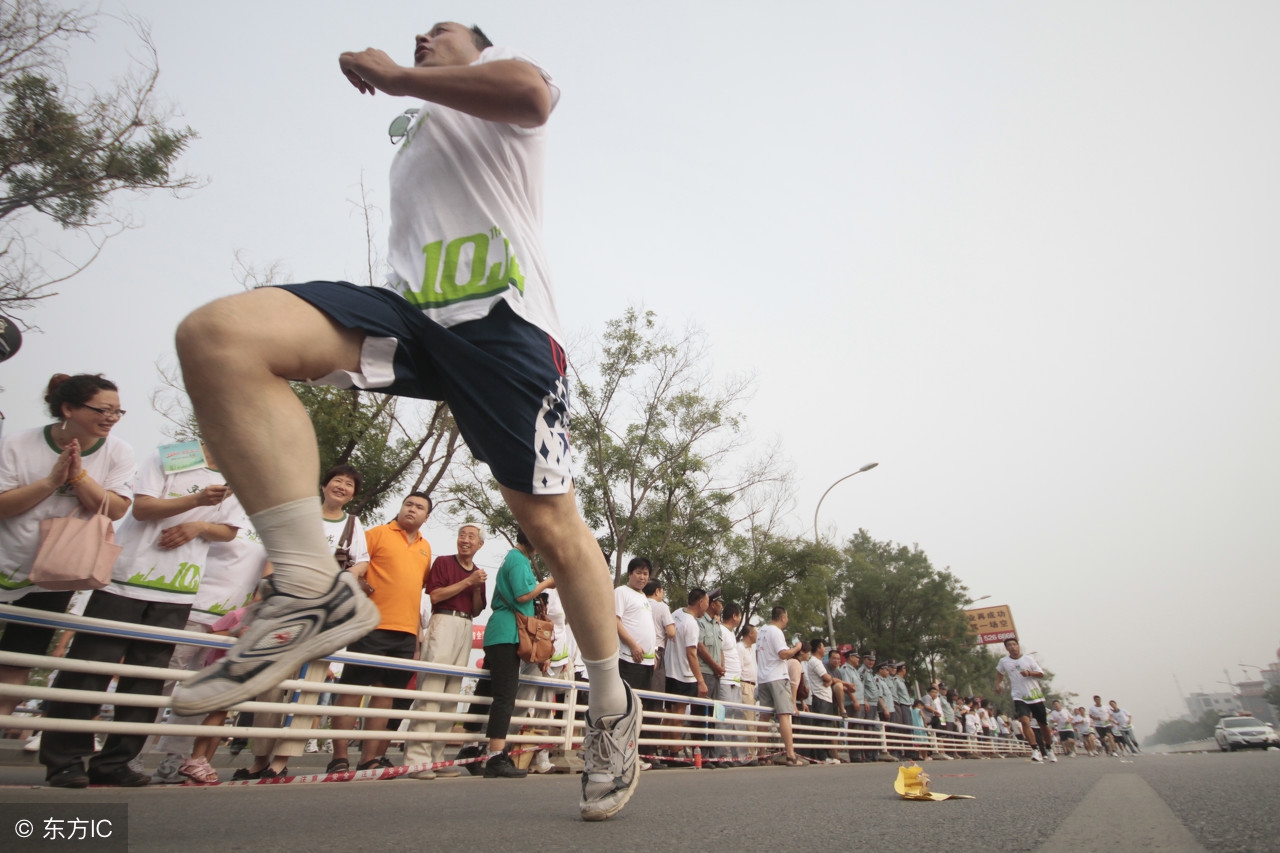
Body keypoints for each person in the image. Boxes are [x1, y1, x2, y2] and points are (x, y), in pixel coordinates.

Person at [172, 22, 639, 819]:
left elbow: (530, 97)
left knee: (552, 524)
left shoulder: (502, 83)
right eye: (417, 32)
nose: (422, 34)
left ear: (479, 46)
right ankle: (310, 585)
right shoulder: (418, 119)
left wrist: (393, 77)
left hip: (503, 322)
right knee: (218, 337)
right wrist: (402, 91)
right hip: (413, 314)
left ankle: (609, 706)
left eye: (443, 29)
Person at [40, 441, 238, 787]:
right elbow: (143, 509)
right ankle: (64, 760)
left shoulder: (239, 473)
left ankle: (116, 760)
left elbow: (229, 530)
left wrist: (199, 527)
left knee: (147, 680)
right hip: (126, 580)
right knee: (90, 669)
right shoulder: (174, 456)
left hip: (178, 590)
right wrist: (197, 501)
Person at [0, 374, 135, 720]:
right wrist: (51, 481)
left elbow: (116, 508)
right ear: (68, 408)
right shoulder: (17, 443)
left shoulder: (119, 451)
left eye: (119, 412)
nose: (111, 418)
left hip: (55, 571)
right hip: (6, 555)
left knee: (20, 655)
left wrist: (79, 477)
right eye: (103, 410)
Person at [327, 492, 432, 772]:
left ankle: (368, 759)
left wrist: (418, 637)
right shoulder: (375, 534)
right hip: (371, 625)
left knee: (385, 698)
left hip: (406, 633)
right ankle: (339, 757)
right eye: (408, 504)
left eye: (419, 507)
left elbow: (416, 590)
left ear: (426, 516)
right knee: (352, 691)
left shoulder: (426, 548)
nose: (412, 509)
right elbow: (354, 568)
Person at [465, 526, 555, 778]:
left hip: (500, 633)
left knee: (484, 692)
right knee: (505, 696)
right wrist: (546, 583)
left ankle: (469, 749)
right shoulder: (518, 560)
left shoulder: (514, 558)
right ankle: (496, 756)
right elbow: (523, 595)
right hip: (507, 633)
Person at [402, 524, 487, 780]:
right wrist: (467, 582)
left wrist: (474, 586)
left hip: (465, 624)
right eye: (462, 535)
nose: (465, 540)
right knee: (432, 689)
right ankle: (417, 759)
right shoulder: (443, 562)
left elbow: (476, 609)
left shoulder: (479, 574)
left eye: (471, 537)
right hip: (443, 620)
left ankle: (437, 758)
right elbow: (436, 595)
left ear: (480, 544)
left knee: (451, 693)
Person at [663, 588, 709, 762]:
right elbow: (691, 653)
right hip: (683, 674)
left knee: (669, 714)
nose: (707, 606)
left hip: (669, 671)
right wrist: (701, 681)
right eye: (707, 602)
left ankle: (666, 750)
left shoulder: (676, 613)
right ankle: (674, 753)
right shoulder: (691, 623)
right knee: (678, 716)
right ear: (700, 603)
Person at [755, 606, 805, 766]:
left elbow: (758, 654)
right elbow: (783, 654)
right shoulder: (776, 632)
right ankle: (790, 754)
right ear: (783, 617)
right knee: (784, 714)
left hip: (763, 677)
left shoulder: (762, 631)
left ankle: (762, 755)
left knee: (764, 716)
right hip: (776, 676)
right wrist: (797, 648)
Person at [994, 637, 1055, 764]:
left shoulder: (1028, 659)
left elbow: (1041, 674)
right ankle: (1035, 750)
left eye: (1014, 644)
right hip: (1019, 696)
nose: (1012, 647)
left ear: (1018, 646)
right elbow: (999, 672)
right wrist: (998, 684)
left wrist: (1029, 673)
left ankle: (1049, 749)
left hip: (1035, 696)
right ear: (1006, 648)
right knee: (1025, 722)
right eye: (1009, 645)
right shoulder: (1004, 661)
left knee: (1043, 725)